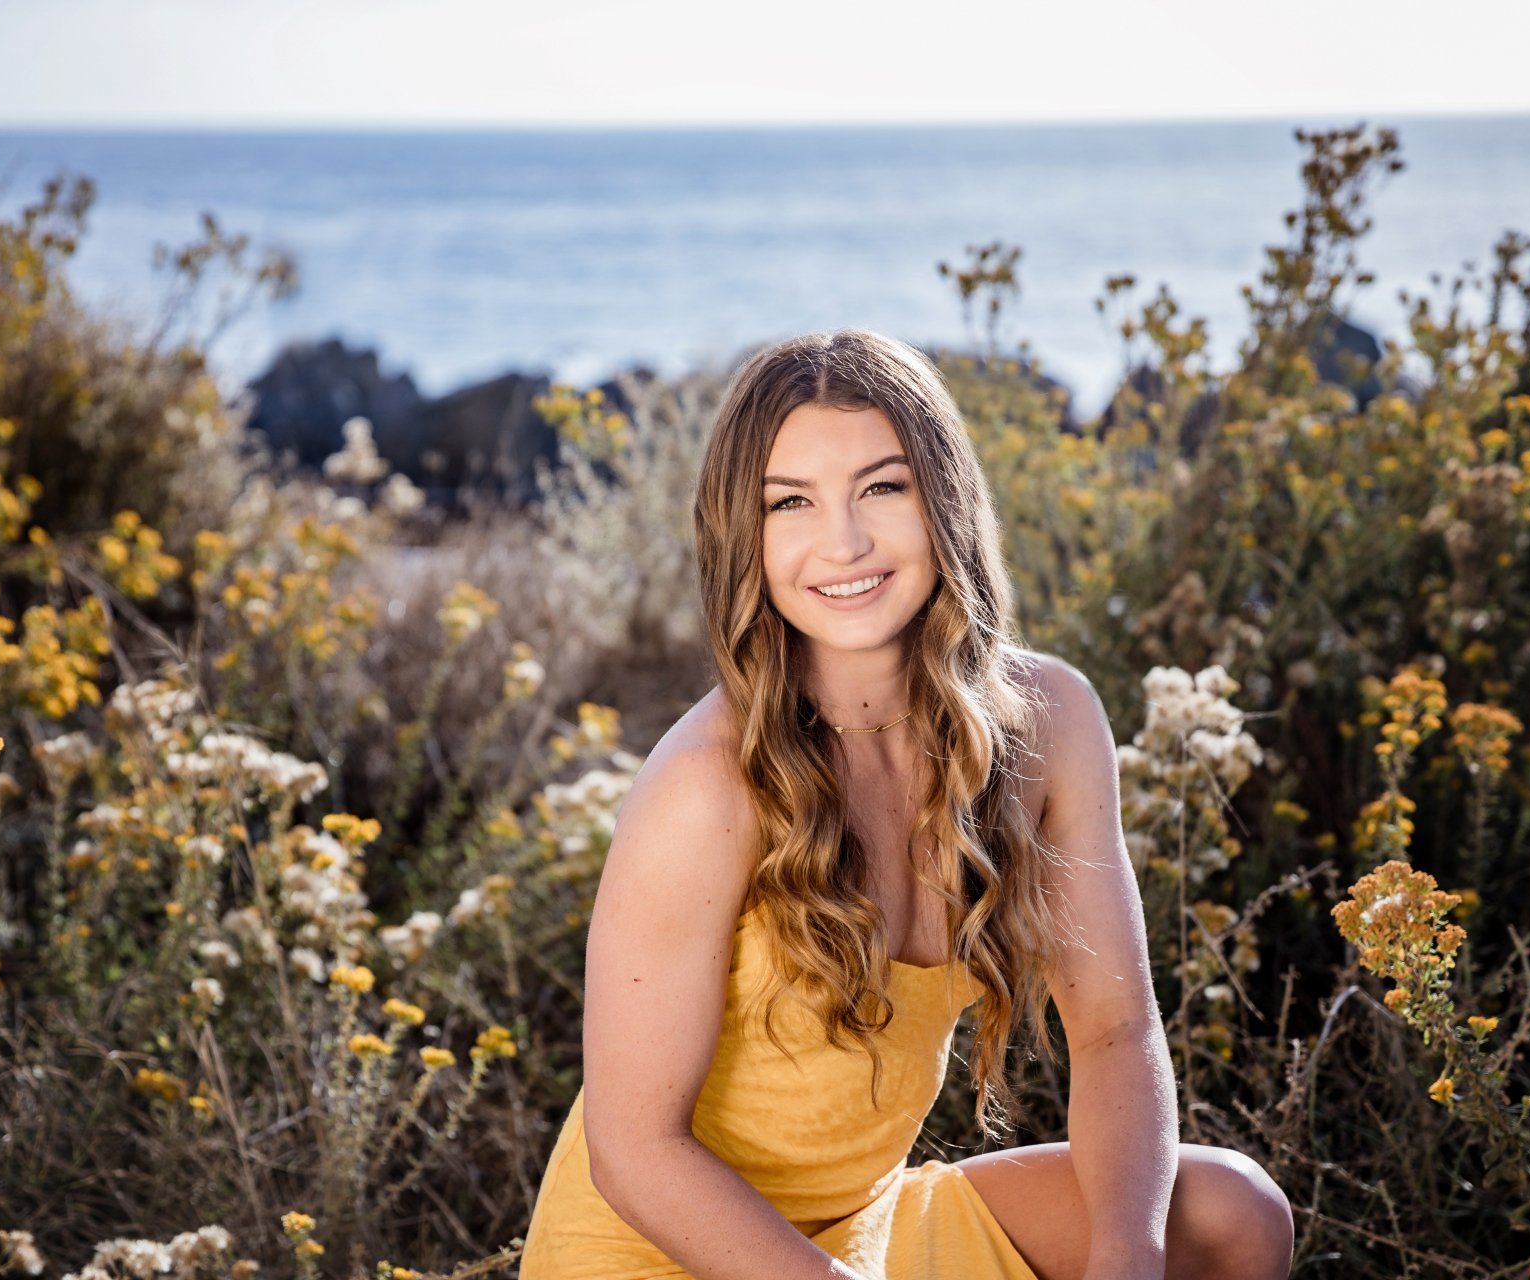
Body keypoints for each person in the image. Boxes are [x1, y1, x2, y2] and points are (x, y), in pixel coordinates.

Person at [518, 329, 1294, 1279]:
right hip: (668, 1251)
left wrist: (1124, 1259)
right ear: (744, 536)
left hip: (862, 1230)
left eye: (883, 488)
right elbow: (635, 1153)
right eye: (791, 503)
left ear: (946, 502)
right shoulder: (704, 785)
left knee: (1230, 1216)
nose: (843, 541)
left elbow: (1114, 1033)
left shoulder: (1049, 725)